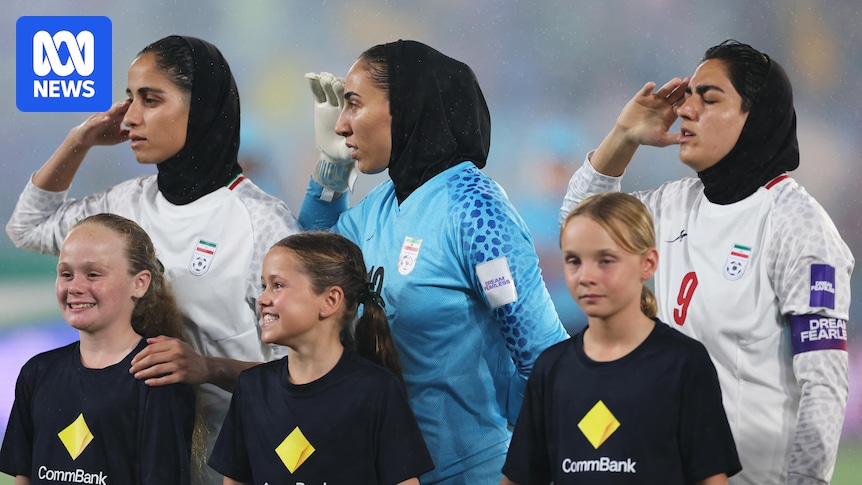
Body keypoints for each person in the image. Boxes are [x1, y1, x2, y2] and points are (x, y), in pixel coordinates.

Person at [4, 35, 302, 484]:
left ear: (198, 107)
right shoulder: (124, 205)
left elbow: (308, 374)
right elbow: (26, 227)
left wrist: (209, 368)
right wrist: (79, 140)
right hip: (130, 465)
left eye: (151, 99)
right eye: (129, 99)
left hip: (239, 467)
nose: (131, 118)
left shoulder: (263, 224)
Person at [558, 40, 853, 485]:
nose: (684, 110)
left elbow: (824, 385)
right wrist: (622, 136)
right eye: (687, 96)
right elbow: (579, 224)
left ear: (755, 116)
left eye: (709, 98)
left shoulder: (798, 226)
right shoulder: (673, 205)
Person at [299, 40, 569, 484]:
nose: (342, 125)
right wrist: (331, 168)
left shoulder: (476, 212)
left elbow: (544, 359)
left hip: (474, 472)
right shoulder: (379, 207)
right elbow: (311, 261)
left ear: (404, 107)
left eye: (353, 104)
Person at [501, 193, 741, 484]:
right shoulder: (551, 369)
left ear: (648, 264)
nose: (586, 276)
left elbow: (711, 478)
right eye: (574, 261)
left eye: (605, 260)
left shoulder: (683, 364)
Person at [208, 232, 434, 484]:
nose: (262, 299)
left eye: (278, 285)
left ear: (330, 300)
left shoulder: (376, 390)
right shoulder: (251, 388)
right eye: (263, 286)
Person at [0, 213, 198, 484]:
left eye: (93, 274)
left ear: (139, 283)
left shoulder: (156, 376)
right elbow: (24, 475)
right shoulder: (37, 372)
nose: (76, 287)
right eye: (66, 274)